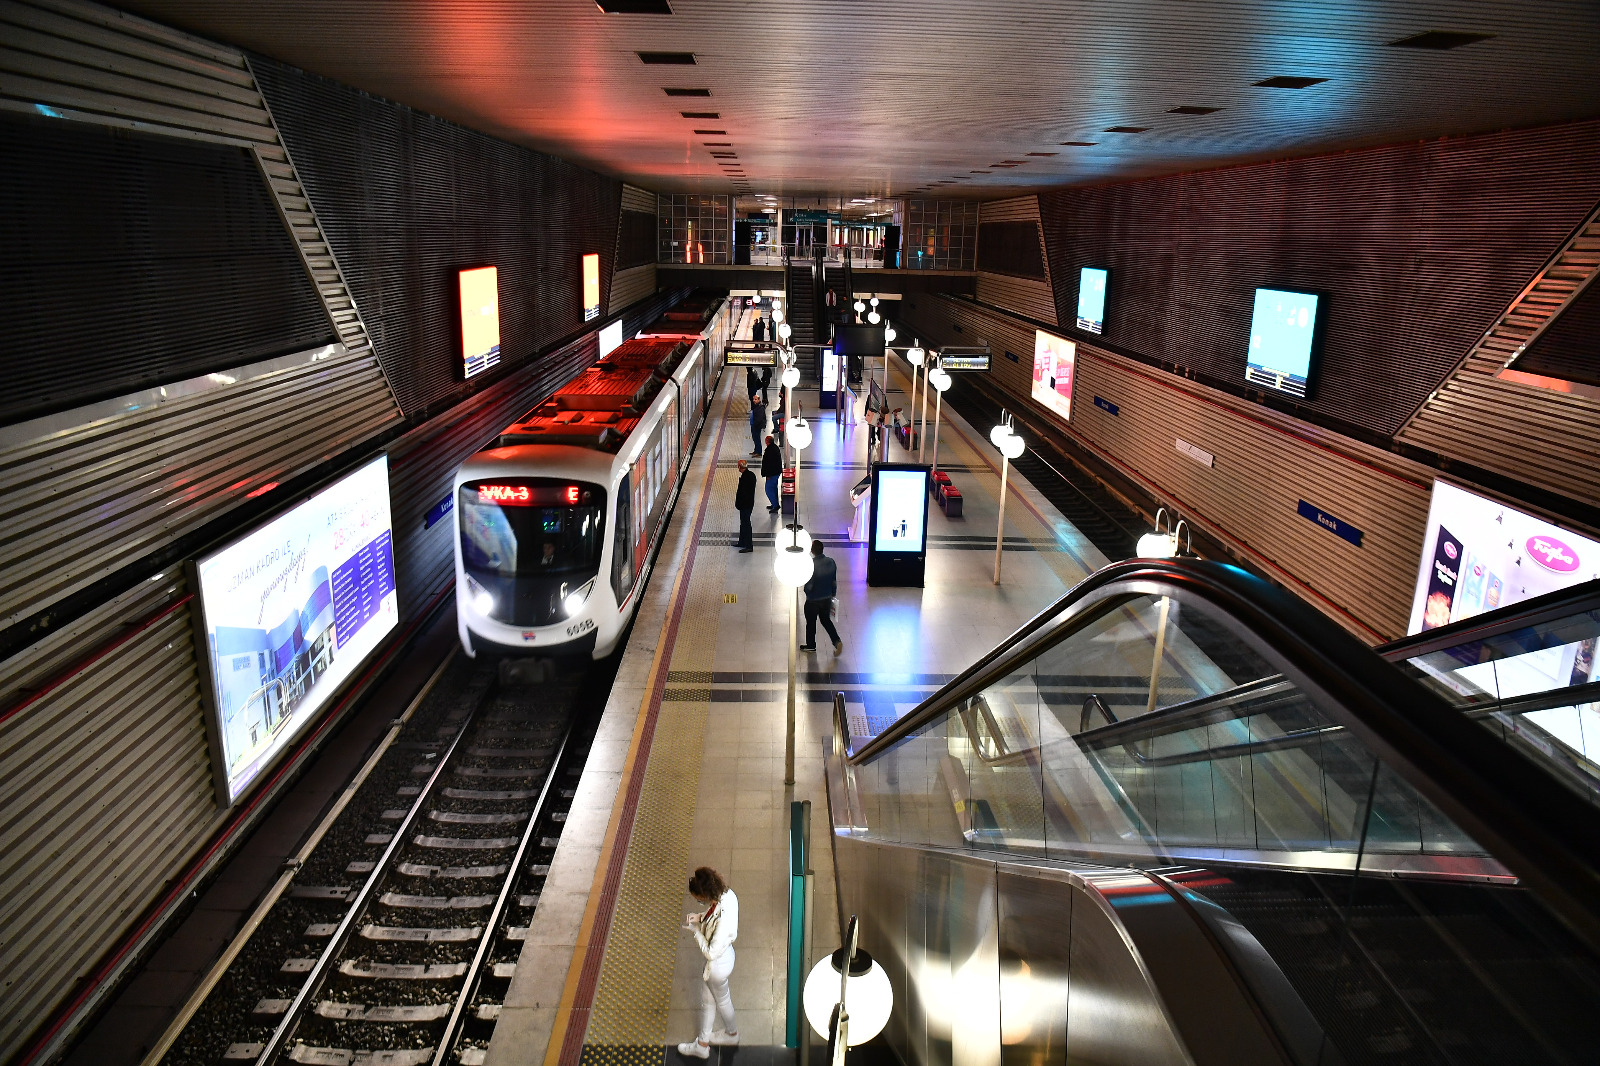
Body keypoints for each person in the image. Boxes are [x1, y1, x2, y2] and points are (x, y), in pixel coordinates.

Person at [676, 867, 739, 1059]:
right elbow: (713, 914)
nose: (699, 902)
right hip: (726, 957)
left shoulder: (722, 923)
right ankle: (707, 1042)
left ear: (706, 894)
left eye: (698, 899)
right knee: (712, 999)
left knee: (717, 1000)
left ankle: (726, 1036)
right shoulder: (728, 895)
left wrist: (695, 931)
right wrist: (701, 917)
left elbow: (711, 953)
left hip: (717, 966)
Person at [799, 540, 842, 654]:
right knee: (826, 620)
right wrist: (832, 593)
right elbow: (833, 581)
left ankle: (811, 645)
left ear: (812, 551)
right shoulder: (831, 562)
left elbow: (809, 586)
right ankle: (836, 641)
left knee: (811, 623)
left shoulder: (811, 565)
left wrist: (807, 591)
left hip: (813, 600)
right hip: (826, 598)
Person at [734, 459, 755, 552]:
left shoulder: (745, 478)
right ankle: (742, 542)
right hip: (749, 504)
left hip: (745, 505)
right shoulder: (751, 475)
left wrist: (739, 503)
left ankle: (748, 545)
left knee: (746, 524)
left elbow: (743, 493)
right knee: (743, 523)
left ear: (739, 467)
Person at [761, 434, 782, 513]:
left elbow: (770, 464)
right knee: (773, 489)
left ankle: (775, 505)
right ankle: (774, 503)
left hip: (772, 474)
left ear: (767, 441)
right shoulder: (774, 448)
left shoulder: (770, 450)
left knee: (768, 489)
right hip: (775, 472)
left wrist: (768, 474)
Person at [748, 391, 767, 457]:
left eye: (755, 399)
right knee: (754, 438)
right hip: (753, 425)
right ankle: (756, 450)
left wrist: (755, 424)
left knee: (757, 439)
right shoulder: (756, 406)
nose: (754, 400)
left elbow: (759, 418)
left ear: (759, 399)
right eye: (753, 399)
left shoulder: (760, 408)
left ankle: (759, 452)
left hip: (756, 426)